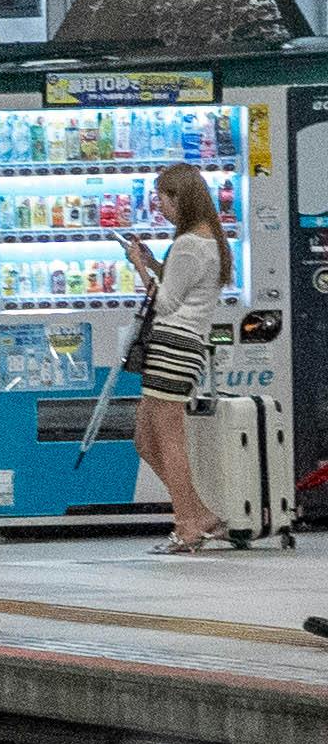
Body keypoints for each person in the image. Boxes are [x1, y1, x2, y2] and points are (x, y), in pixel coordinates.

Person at [120, 161, 233, 552]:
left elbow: (165, 303)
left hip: (173, 347)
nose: (161, 208)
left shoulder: (188, 243)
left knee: (167, 441)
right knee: (144, 439)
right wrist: (154, 262)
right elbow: (182, 286)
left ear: (180, 198)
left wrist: (140, 268)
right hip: (184, 347)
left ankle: (187, 525)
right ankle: (199, 513)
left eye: (163, 200)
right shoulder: (208, 240)